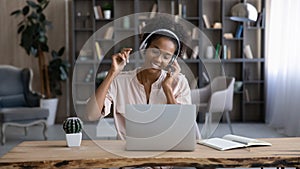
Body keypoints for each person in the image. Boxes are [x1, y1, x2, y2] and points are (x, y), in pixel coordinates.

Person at [85, 15, 197, 140]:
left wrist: (167, 89)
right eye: (155, 51)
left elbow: (182, 129)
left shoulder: (179, 82)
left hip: (165, 152)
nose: (159, 59)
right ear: (144, 48)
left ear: (172, 61)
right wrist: (112, 73)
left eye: (166, 56)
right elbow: (91, 115)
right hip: (126, 154)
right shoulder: (120, 81)